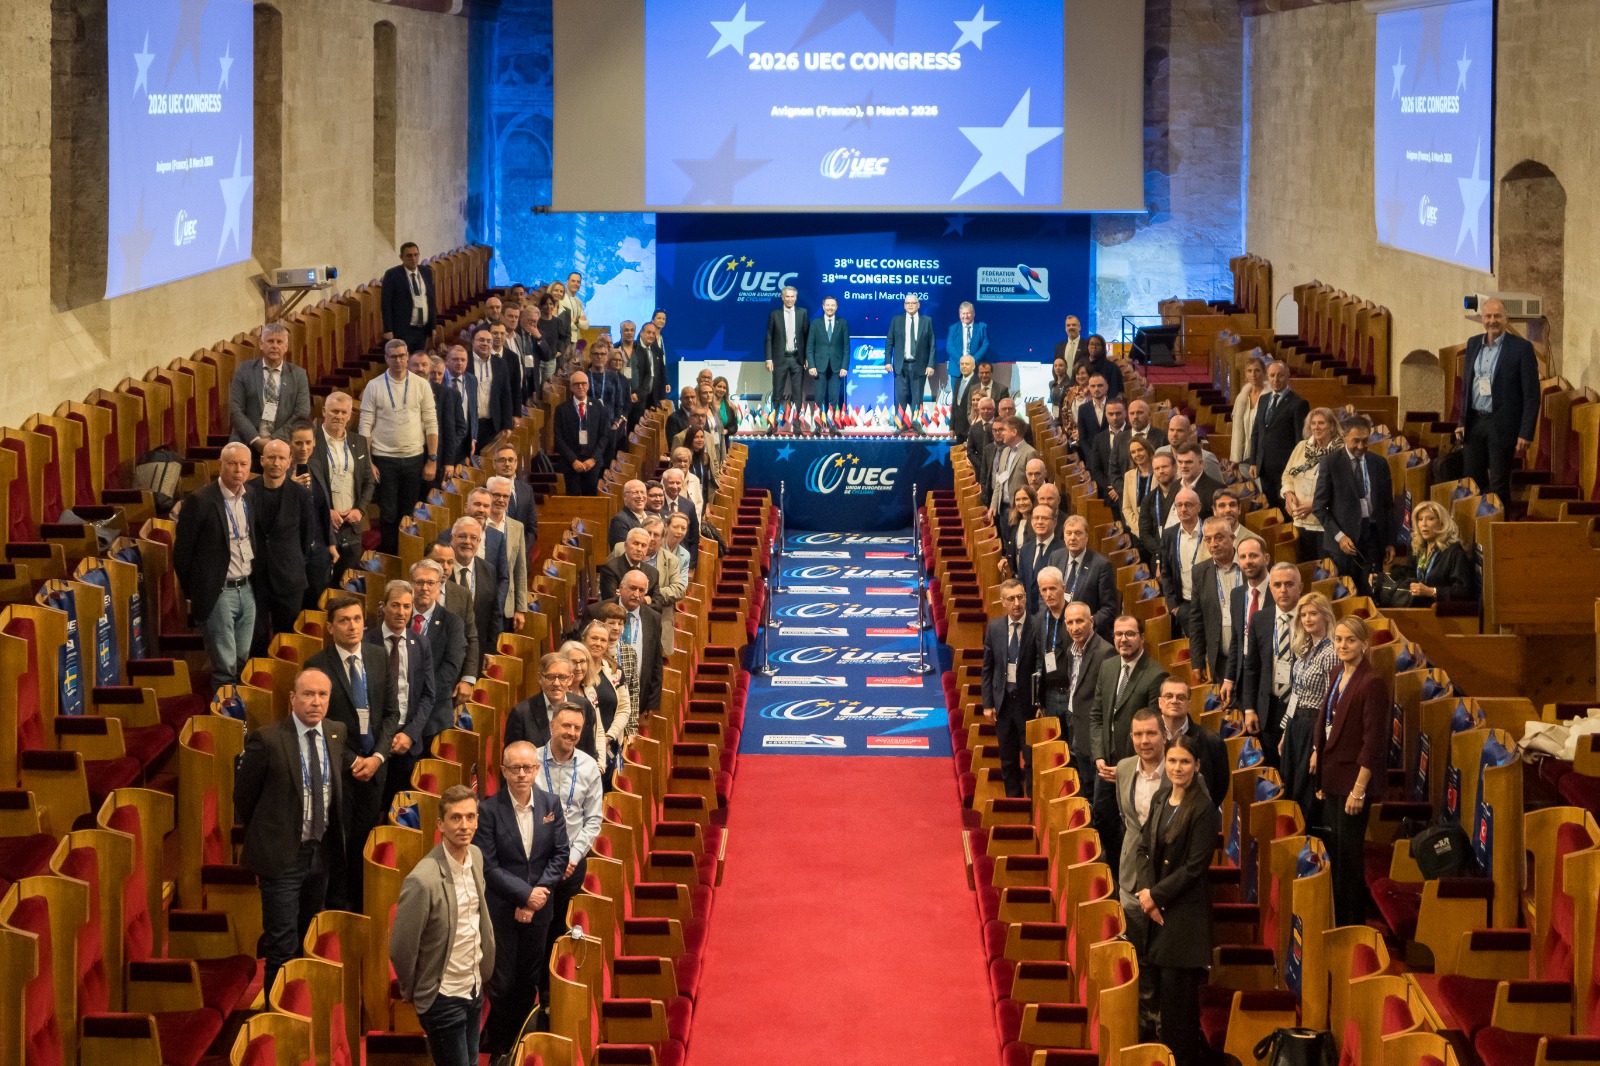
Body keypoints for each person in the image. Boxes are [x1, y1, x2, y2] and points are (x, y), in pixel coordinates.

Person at [235, 666, 354, 996]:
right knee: (282, 948)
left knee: (308, 939)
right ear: (292, 698)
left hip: (321, 853)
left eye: (322, 695)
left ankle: (301, 1008)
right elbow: (243, 798)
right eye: (308, 694)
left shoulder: (336, 732)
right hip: (282, 858)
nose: (316, 701)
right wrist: (271, 832)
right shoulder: (268, 740)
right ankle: (277, 1017)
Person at [305, 596, 398, 908]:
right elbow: (317, 723)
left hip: (375, 767)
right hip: (338, 770)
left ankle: (361, 906)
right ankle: (338, 907)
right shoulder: (317, 666)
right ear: (330, 627)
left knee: (365, 840)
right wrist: (353, 760)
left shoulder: (378, 656)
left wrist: (378, 757)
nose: (352, 626)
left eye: (357, 619)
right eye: (344, 620)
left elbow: (391, 713)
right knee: (339, 844)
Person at [476, 742, 569, 1057]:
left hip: (540, 910)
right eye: (514, 768)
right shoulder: (488, 810)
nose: (521, 774)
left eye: (527, 768)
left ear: (536, 769)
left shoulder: (550, 804)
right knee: (502, 983)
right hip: (502, 910)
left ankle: (520, 1046)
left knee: (528, 981)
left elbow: (560, 854)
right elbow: (489, 867)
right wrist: (525, 895)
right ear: (503, 771)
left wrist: (535, 897)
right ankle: (501, 1048)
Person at [390, 785, 494, 1066]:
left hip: (473, 988)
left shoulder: (476, 857)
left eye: (470, 817)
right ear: (441, 825)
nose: (464, 825)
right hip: (443, 996)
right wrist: (418, 992)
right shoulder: (422, 879)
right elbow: (401, 948)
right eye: (456, 818)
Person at [1134, 733, 1220, 1066]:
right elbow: (1144, 849)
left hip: (1184, 921)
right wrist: (1147, 894)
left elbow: (1194, 868)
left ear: (1197, 766)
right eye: (1172, 760)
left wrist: (1154, 896)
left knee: (1179, 1012)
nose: (1177, 767)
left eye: (1185, 762)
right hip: (1157, 912)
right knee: (1164, 1006)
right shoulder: (1161, 798)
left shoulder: (1203, 809)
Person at [1314, 615, 1388, 928]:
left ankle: (1351, 925)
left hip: (1353, 783)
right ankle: (1338, 919)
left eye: (1350, 640)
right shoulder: (1336, 672)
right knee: (1336, 852)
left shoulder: (1372, 683)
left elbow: (1373, 743)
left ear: (1364, 644)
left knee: (1348, 858)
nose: (1343, 645)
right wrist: (1317, 757)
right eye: (1339, 639)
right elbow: (1327, 719)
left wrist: (1359, 790)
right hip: (1332, 776)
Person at [173, 442, 259, 691]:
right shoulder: (200, 500)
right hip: (218, 592)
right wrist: (198, 592)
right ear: (220, 465)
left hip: (247, 589)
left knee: (242, 661)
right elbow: (182, 554)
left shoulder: (249, 496)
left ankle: (239, 709)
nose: (238, 470)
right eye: (232, 464)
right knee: (225, 667)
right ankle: (223, 713)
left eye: (243, 464)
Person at [1091, 616, 1170, 881]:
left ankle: (1134, 880)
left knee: (1132, 827)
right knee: (1103, 818)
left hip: (1135, 766)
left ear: (1142, 637)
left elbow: (1153, 731)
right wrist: (1099, 755)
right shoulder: (1108, 666)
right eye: (1118, 634)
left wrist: (1128, 767)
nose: (1123, 639)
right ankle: (1115, 876)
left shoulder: (1155, 674)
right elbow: (1097, 715)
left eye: (1130, 634)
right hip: (1106, 764)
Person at [534, 702, 605, 972]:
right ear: (552, 726)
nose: (571, 733)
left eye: (577, 728)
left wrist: (572, 858)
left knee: (560, 930)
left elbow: (593, 819)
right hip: (536, 862)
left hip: (571, 865)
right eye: (566, 726)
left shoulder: (589, 767)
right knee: (535, 930)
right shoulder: (531, 762)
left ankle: (553, 988)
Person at [1455, 298, 1541, 501]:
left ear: (1506, 318)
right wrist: (1462, 421)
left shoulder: (1521, 348)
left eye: (1497, 316)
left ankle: (1499, 521)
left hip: (1502, 425)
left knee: (1498, 484)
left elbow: (1531, 395)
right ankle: (1475, 521)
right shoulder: (1473, 343)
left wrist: (1525, 432)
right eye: (1488, 316)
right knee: (1471, 482)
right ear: (1482, 319)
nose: (1492, 321)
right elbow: (1467, 386)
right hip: (1475, 422)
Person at [360, 339, 440, 555]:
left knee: (408, 512)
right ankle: (389, 558)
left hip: (414, 457)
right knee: (388, 513)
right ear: (386, 358)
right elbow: (365, 426)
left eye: (402, 355)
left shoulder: (421, 384)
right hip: (384, 459)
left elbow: (431, 423)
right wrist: (368, 462)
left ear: (407, 357)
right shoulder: (374, 386)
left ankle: (406, 556)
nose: (398, 360)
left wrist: (432, 459)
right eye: (393, 356)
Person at [1116, 707, 1167, 1043]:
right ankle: (1144, 1026)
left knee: (1163, 956)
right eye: (1138, 734)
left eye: (1151, 733)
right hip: (1131, 878)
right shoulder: (1123, 769)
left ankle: (1164, 1026)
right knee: (1137, 954)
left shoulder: (1179, 770)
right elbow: (1127, 819)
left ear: (1164, 736)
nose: (1144, 741)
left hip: (1167, 880)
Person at [369, 580, 436, 811]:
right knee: (372, 810)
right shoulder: (367, 642)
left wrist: (410, 733)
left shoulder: (421, 643)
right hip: (375, 741)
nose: (401, 612)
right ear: (383, 606)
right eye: (395, 605)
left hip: (407, 742)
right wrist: (383, 737)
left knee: (400, 810)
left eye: (407, 606)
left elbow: (428, 695)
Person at [1312, 413, 1396, 594]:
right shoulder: (1330, 463)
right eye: (1356, 441)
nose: (1361, 446)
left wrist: (1390, 542)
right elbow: (1319, 507)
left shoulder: (1379, 463)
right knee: (1346, 593)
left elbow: (1388, 505)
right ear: (1344, 437)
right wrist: (1339, 536)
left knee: (1372, 592)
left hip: (1373, 538)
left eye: (1365, 441)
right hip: (1344, 542)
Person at [1039, 599, 1112, 797]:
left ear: (1091, 622)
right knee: (1082, 784)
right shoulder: (1071, 651)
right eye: (1070, 622)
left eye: (1079, 621)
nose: (1074, 627)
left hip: (1093, 731)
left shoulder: (1105, 652)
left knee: (1096, 791)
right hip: (1075, 724)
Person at [248, 438, 316, 648]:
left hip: (289, 578)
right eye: (271, 457)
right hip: (255, 577)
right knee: (256, 641)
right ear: (262, 460)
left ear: (289, 462)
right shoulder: (247, 492)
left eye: (281, 458)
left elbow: (307, 536)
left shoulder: (301, 495)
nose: (276, 463)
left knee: (286, 643)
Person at [1237, 562, 1304, 768]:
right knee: (1272, 768)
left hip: (1301, 708)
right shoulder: (1259, 619)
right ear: (1270, 588)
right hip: (1269, 707)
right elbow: (1251, 667)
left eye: (1289, 584)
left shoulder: (1310, 619)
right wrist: (1249, 708)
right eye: (1277, 585)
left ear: (1300, 587)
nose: (1283, 590)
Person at [1278, 592, 1338, 824]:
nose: (1307, 619)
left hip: (1314, 725)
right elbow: (1296, 693)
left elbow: (1331, 702)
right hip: (1296, 725)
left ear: (1325, 616)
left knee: (1306, 793)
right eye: (1303, 615)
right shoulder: (1305, 649)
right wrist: (1285, 731)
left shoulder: (1331, 653)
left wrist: (1318, 748)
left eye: (1313, 614)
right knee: (1291, 787)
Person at [309, 392, 373, 587]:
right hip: (322, 527)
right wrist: (325, 511)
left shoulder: (359, 442)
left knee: (347, 585)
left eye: (344, 412)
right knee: (320, 586)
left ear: (350, 415)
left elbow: (369, 481)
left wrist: (360, 509)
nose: (339, 416)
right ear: (324, 411)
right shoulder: (311, 441)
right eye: (334, 411)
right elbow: (305, 486)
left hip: (351, 526)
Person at [980, 580, 1037, 798]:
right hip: (1003, 704)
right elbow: (988, 669)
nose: (1017, 603)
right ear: (1003, 602)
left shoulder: (1037, 625)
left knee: (1030, 760)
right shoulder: (995, 627)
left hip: (1028, 706)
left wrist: (1039, 702)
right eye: (1011, 599)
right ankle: (1014, 803)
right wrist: (988, 704)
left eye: (1020, 597)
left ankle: (1032, 805)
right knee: (1007, 759)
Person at [409, 558, 469, 737]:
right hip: (399, 713)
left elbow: (450, 668)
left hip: (434, 716)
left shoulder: (452, 623)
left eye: (430, 583)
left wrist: (420, 695)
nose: (424, 588)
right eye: (419, 582)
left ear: (439, 586)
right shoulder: (399, 617)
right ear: (411, 584)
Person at [229, 323, 311, 450]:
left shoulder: (299, 375)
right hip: (246, 443)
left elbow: (302, 412)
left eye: (279, 342)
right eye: (270, 341)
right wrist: (255, 440)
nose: (275, 346)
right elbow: (236, 410)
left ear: (286, 347)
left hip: (283, 445)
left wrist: (273, 440)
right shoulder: (244, 371)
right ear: (261, 344)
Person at [1185, 518, 1242, 686]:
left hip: (1250, 656)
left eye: (1219, 537)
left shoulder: (1248, 565)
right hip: (1220, 658)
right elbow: (1196, 620)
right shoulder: (1200, 572)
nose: (1213, 544)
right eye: (1208, 539)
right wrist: (1197, 661)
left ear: (1232, 538)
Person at [1155, 678, 1229, 806]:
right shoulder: (1146, 738)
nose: (1174, 701)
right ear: (1160, 702)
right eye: (1169, 696)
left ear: (1189, 703)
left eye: (1181, 697)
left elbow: (1218, 790)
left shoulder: (1212, 742)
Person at [1218, 536, 1271, 706]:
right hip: (1244, 676)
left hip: (1270, 675)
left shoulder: (1279, 591)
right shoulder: (1237, 595)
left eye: (1253, 555)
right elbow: (1236, 640)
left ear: (1266, 558)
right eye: (1243, 557)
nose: (1248, 561)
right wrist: (1229, 678)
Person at [1250, 360, 1309, 510]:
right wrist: (1253, 461)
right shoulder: (1263, 399)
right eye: (1272, 375)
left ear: (1288, 375)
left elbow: (1300, 440)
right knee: (1271, 509)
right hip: (1264, 466)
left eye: (1280, 375)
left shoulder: (1298, 403)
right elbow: (1256, 432)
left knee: (1286, 508)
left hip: (1285, 468)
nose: (1275, 380)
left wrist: (1296, 468)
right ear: (1267, 377)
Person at [1280, 407, 1337, 561]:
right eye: (1313, 423)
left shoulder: (1338, 452)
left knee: (1325, 569)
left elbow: (1341, 488)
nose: (1316, 427)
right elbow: (1287, 474)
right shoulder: (1301, 447)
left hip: (1326, 523)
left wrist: (1315, 504)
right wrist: (1288, 493)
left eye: (1321, 423)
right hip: (1301, 521)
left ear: (1332, 426)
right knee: (1304, 566)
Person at [582, 620, 636, 782]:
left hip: (609, 747)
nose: (598, 644)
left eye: (603, 640)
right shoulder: (575, 672)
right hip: (582, 748)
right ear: (584, 640)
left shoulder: (615, 671)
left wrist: (608, 738)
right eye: (594, 638)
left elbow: (624, 709)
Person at [1058, 514, 1120, 641]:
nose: (1073, 538)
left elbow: (1109, 609)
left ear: (1086, 537)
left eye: (1078, 533)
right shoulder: (1056, 557)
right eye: (1069, 533)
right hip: (1059, 631)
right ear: (1064, 536)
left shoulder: (1101, 565)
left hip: (1087, 635)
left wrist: (1085, 625)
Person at [1402, 500, 1474, 607]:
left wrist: (1432, 591)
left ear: (1442, 523)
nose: (1424, 524)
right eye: (1420, 519)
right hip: (1416, 603)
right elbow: (1409, 573)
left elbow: (1464, 590)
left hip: (1439, 609)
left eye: (1430, 519)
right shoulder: (1419, 547)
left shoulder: (1454, 551)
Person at [450, 516, 505, 648]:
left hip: (477, 649)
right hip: (447, 649)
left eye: (473, 538)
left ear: (479, 541)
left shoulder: (489, 570)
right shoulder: (442, 570)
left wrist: (490, 651)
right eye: (462, 536)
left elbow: (493, 615)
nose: (468, 542)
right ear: (452, 539)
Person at [485, 476, 531, 632]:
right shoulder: (477, 525)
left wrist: (521, 609)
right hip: (481, 602)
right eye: (496, 495)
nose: (501, 500)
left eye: (505, 496)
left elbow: (520, 570)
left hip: (506, 606)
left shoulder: (517, 527)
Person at [1158, 488, 1205, 636]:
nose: (1183, 509)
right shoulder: (1169, 534)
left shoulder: (1210, 531)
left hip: (1211, 602)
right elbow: (1166, 572)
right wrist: (1174, 607)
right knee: (1194, 647)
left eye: (1188, 504)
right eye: (1179, 505)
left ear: (1199, 507)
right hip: (1185, 605)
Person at [553, 370, 608, 496]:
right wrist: (573, 460)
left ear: (588, 386)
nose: (580, 387)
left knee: (591, 499)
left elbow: (604, 436)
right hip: (570, 464)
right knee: (573, 499)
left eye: (583, 383)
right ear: (571, 387)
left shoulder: (598, 406)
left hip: (593, 463)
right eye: (576, 384)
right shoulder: (562, 409)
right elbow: (558, 438)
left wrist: (593, 459)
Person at [381, 242, 437, 356]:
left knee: (419, 360)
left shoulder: (426, 272)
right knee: (405, 360)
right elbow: (386, 304)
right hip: (403, 329)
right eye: (409, 255)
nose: (413, 258)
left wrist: (433, 326)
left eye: (416, 255)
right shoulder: (392, 274)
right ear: (401, 257)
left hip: (422, 329)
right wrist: (388, 330)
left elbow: (430, 300)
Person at [468, 327, 516, 453]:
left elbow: (506, 395)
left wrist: (507, 424)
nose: (485, 344)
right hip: (469, 425)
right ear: (473, 342)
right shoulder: (465, 361)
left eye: (489, 341)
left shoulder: (500, 363)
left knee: (488, 459)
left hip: (492, 424)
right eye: (481, 340)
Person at [886, 294, 935, 409]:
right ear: (904, 305)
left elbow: (932, 344)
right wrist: (887, 361)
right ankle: (900, 420)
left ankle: (916, 420)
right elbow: (889, 342)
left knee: (917, 400)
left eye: (913, 303)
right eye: (908, 303)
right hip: (901, 366)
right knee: (900, 399)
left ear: (918, 305)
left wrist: (930, 365)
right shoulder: (896, 320)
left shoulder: (927, 321)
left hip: (919, 366)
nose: (910, 305)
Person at [765, 286, 811, 408]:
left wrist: (807, 357)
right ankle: (774, 419)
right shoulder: (774, 314)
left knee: (797, 393)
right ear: (782, 297)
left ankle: (797, 420)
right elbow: (769, 337)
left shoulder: (802, 313)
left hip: (797, 359)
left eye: (792, 296)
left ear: (796, 298)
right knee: (777, 392)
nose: (790, 299)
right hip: (780, 358)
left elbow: (807, 337)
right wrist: (769, 359)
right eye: (787, 296)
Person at [1016, 507, 1068, 614]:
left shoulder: (1063, 550)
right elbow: (1022, 582)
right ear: (1031, 522)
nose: (1039, 522)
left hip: (1051, 614)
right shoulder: (1025, 549)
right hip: (1029, 615)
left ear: (1054, 522)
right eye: (1036, 518)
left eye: (1044, 518)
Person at [987, 416, 1036, 519]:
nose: (1002, 433)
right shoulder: (1005, 451)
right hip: (1003, 508)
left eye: (1004, 430)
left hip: (1020, 509)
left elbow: (1033, 484)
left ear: (1014, 432)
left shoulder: (1030, 453)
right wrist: (993, 504)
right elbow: (999, 480)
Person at [1136, 452, 1180, 565]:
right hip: (1159, 557)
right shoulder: (1148, 499)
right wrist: (1161, 551)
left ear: (1175, 467)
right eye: (1157, 468)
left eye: (1164, 467)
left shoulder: (1186, 494)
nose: (1161, 471)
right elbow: (1144, 534)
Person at [489, 440, 539, 535]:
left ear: (516, 463)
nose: (507, 464)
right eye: (502, 460)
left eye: (511, 460)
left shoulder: (526, 490)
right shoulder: (485, 490)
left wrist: (522, 544)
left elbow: (532, 528)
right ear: (494, 464)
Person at [600, 528, 662, 604]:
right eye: (635, 543)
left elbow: (658, 604)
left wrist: (625, 596)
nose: (639, 549)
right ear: (625, 545)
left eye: (643, 545)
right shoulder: (610, 568)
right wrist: (645, 600)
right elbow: (612, 602)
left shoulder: (653, 573)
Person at [1229, 356, 1268, 468]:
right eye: (1249, 371)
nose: (1253, 374)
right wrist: (1236, 457)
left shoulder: (1269, 397)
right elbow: (1237, 430)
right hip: (1245, 455)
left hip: (1263, 455)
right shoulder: (1241, 398)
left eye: (1257, 370)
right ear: (1245, 375)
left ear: (1264, 373)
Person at [1088, 399, 1129, 501]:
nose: (1115, 417)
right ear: (1105, 414)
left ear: (1125, 413)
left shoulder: (1133, 434)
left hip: (1130, 491)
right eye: (1111, 414)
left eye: (1118, 413)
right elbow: (1096, 469)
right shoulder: (1099, 439)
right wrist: (1112, 486)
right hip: (1109, 493)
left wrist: (1120, 488)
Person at [1171, 443, 1222, 520]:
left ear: (1200, 463)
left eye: (1188, 462)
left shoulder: (1216, 489)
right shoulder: (1173, 486)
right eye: (1180, 462)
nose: (1183, 466)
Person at [1121, 437, 1156, 540]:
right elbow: (1126, 507)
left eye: (1140, 450)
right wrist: (1139, 529)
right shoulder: (1128, 476)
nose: (1137, 454)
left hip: (1156, 530)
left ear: (1148, 450)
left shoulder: (1159, 473)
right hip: (1138, 532)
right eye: (1133, 452)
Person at [945, 300, 991, 379]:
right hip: (957, 368)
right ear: (959, 314)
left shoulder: (982, 327)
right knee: (957, 388)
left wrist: (973, 361)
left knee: (976, 388)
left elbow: (985, 345)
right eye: (963, 313)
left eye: (968, 313)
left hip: (976, 368)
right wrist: (962, 361)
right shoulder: (953, 328)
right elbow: (950, 346)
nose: (965, 316)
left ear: (973, 314)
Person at [1079, 333, 1125, 399]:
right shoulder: (1081, 364)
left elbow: (1115, 390)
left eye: (1097, 344)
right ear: (1088, 346)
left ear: (1102, 347)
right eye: (1092, 344)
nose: (1094, 347)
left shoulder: (1112, 367)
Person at [1076, 374, 1111, 456]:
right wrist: (1091, 456)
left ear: (1107, 387)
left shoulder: (1115, 406)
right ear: (1089, 388)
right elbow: (1082, 438)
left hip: (1113, 455)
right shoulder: (1083, 409)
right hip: (1092, 455)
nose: (1096, 389)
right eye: (1093, 386)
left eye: (1100, 385)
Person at [608, 479, 649, 551]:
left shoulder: (652, 516)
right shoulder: (619, 521)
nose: (640, 496)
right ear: (625, 496)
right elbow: (623, 551)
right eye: (635, 492)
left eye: (642, 492)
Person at [949, 355, 980, 440]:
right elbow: (955, 405)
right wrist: (952, 427)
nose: (964, 366)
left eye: (967, 364)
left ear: (973, 366)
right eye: (962, 364)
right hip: (958, 430)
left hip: (971, 429)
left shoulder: (978, 382)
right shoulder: (957, 381)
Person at [965, 396, 997, 476]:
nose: (986, 411)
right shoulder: (973, 428)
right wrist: (981, 466)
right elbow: (970, 452)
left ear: (994, 410)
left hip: (998, 470)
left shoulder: (1000, 426)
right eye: (983, 409)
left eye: (989, 409)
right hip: (980, 472)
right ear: (979, 410)